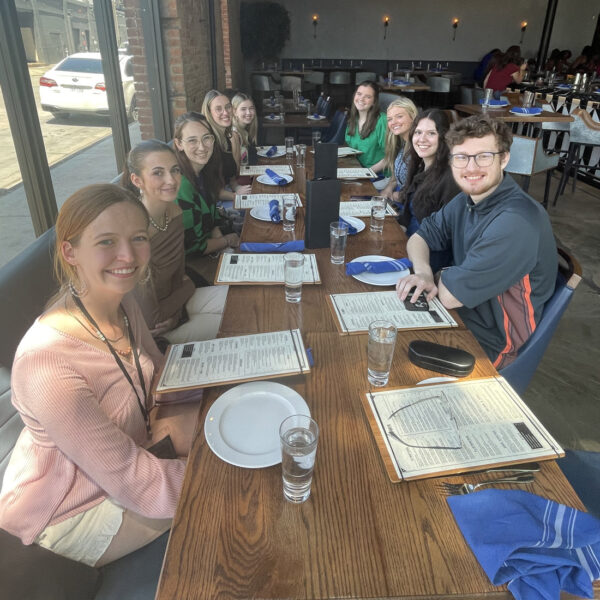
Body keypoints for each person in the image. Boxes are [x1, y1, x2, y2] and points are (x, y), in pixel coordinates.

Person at [0, 184, 196, 567]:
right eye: (107, 241)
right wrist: (216, 473)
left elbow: (156, 377)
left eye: (138, 238)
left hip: (129, 454)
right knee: (230, 501)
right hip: (68, 513)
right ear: (69, 252)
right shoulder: (47, 365)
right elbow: (133, 479)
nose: (128, 255)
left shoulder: (122, 303)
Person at [396, 114, 557, 369]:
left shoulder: (517, 221)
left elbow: (450, 296)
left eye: (484, 156)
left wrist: (435, 277)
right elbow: (420, 237)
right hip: (458, 316)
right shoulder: (468, 199)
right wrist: (425, 274)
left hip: (490, 343)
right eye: (461, 157)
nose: (471, 168)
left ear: (504, 158)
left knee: (385, 355)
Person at [122, 140, 228, 344]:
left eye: (175, 170)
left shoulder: (175, 212)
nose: (171, 180)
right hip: (151, 333)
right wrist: (184, 294)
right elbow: (151, 320)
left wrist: (179, 308)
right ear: (137, 180)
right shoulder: (134, 234)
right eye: (158, 173)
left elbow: (180, 275)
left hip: (176, 305)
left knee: (245, 302)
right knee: (240, 323)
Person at [173, 111, 239, 273]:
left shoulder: (203, 172)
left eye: (206, 138)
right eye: (192, 140)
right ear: (179, 144)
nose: (202, 147)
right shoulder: (181, 186)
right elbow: (194, 248)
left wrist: (225, 247)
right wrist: (227, 240)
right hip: (190, 268)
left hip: (209, 253)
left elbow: (212, 220)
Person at [398, 109, 460, 272]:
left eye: (431, 133)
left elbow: (447, 236)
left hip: (426, 260)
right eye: (418, 132)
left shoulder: (450, 178)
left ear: (443, 137)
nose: (422, 139)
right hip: (407, 244)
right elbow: (408, 216)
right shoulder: (420, 166)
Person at [202, 90, 252, 204]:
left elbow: (232, 178)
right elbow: (211, 189)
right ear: (209, 113)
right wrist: (235, 195)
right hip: (215, 203)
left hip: (229, 193)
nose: (225, 112)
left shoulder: (227, 138)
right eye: (218, 109)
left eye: (228, 107)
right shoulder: (208, 143)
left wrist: (237, 188)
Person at [380, 96, 418, 204]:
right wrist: (389, 188)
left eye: (399, 116)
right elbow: (397, 175)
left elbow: (425, 185)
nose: (393, 122)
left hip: (414, 209)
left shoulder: (420, 147)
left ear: (412, 117)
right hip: (400, 201)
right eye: (390, 119)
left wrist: (402, 195)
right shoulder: (403, 143)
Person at [344, 81, 387, 172]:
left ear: (374, 102)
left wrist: (366, 173)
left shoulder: (382, 121)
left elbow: (391, 156)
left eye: (367, 97)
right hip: (358, 169)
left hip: (378, 175)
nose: (361, 99)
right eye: (359, 94)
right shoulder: (353, 119)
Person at [232, 92, 258, 166]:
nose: (248, 113)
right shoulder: (234, 134)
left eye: (251, 108)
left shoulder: (244, 130)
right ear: (234, 112)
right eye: (243, 109)